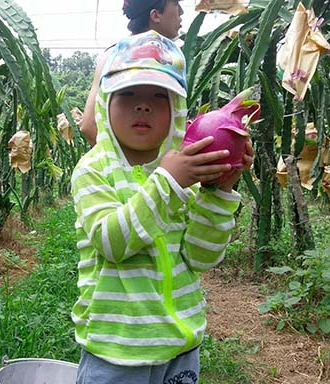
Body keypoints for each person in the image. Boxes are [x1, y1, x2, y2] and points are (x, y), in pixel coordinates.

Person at [70, 31, 253, 383]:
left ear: (178, 111)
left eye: (159, 96)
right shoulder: (93, 170)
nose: (143, 105)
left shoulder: (180, 171)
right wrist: (169, 181)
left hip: (180, 347)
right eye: (128, 94)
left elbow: (201, 258)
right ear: (106, 104)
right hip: (117, 350)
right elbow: (112, 242)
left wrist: (219, 192)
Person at [80, 0, 184, 146]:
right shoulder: (114, 56)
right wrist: (131, 164)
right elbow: (90, 125)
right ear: (155, 15)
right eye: (175, 4)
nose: (181, 12)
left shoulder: (113, 54)